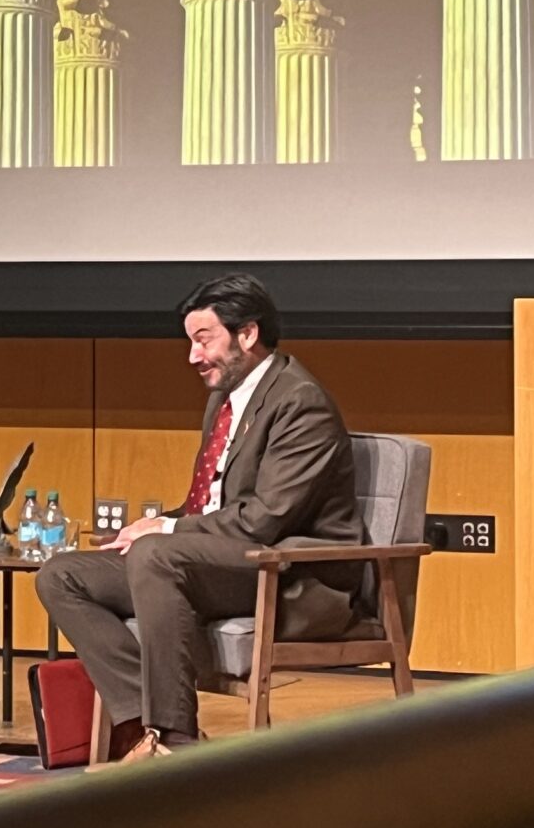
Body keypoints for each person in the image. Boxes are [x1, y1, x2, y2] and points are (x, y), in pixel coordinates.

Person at [35, 272, 358, 762]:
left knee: (155, 554)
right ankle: (139, 726)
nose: (192, 356)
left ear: (247, 334)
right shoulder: (224, 400)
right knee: (62, 575)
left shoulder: (300, 401)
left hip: (289, 572)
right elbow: (210, 504)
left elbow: (265, 518)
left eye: (203, 339)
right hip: (219, 560)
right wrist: (152, 525)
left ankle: (175, 738)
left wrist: (166, 529)